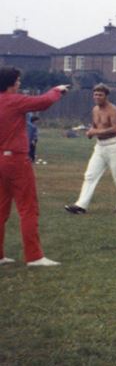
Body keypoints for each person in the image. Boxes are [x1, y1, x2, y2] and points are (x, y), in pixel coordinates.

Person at [0, 66, 67, 267]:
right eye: (18, 81)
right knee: (28, 207)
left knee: (1, 208)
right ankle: (34, 256)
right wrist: (58, 90)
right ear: (11, 83)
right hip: (16, 160)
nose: (20, 84)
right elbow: (43, 102)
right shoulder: (14, 101)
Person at [65, 84, 116, 215]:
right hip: (100, 147)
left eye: (100, 95)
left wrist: (96, 131)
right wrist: (90, 132)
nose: (97, 97)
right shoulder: (95, 109)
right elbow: (95, 127)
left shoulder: (112, 109)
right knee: (90, 175)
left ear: (106, 96)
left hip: (114, 146)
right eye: (95, 94)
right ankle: (81, 205)